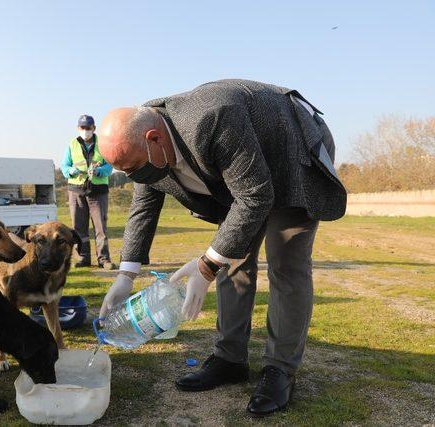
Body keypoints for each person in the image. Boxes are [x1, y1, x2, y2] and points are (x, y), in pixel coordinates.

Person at [97, 79, 347, 416]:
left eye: (130, 168)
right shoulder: (144, 140)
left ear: (154, 140)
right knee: (231, 261)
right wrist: (126, 276)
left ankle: (280, 369)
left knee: (286, 263)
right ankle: (230, 358)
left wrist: (205, 265)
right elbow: (143, 209)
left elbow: (255, 196)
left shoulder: (213, 118)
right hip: (246, 176)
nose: (129, 176)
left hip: (291, 149)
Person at [60, 114, 116, 269]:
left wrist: (101, 171)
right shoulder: (72, 144)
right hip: (76, 191)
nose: (85, 130)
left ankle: (104, 259)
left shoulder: (103, 143)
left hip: (98, 191)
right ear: (79, 128)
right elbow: (64, 166)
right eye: (83, 128)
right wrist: (71, 171)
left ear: (94, 128)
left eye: (88, 128)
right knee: (79, 228)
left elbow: (110, 164)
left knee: (100, 228)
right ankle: (83, 258)